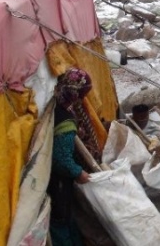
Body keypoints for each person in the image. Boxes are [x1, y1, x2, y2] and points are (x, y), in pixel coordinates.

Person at [48, 67, 98, 246]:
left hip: (56, 179)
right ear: (77, 93)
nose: (83, 99)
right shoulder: (66, 118)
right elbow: (61, 158)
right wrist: (78, 172)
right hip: (58, 180)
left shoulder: (55, 102)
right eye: (83, 94)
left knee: (67, 213)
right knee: (60, 217)